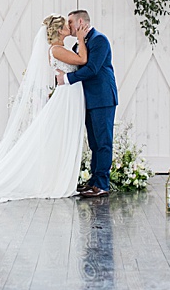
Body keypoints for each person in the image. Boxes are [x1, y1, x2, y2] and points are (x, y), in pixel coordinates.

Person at [0, 14, 90, 203]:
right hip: (67, 97)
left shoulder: (60, 48)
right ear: (58, 31)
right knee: (62, 135)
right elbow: (82, 61)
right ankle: (58, 180)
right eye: (65, 25)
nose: (69, 27)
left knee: (65, 136)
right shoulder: (56, 49)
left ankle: (61, 176)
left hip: (72, 95)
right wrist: (80, 39)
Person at [58, 10, 118, 198]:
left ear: (80, 21)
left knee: (103, 142)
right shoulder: (80, 43)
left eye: (70, 22)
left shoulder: (100, 40)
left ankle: (102, 185)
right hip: (89, 99)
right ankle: (94, 182)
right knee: (94, 142)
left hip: (102, 98)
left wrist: (66, 78)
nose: (68, 26)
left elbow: (92, 69)